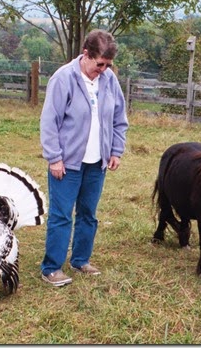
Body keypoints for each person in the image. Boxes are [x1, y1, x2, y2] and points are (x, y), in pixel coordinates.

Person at [39, 29, 129, 287]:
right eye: (99, 63)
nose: (103, 69)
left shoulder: (109, 80)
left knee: (88, 213)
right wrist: (54, 157)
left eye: (108, 65)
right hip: (66, 164)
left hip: (96, 164)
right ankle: (52, 267)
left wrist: (115, 150)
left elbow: (119, 119)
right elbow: (49, 122)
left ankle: (80, 259)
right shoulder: (63, 78)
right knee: (62, 215)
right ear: (86, 54)